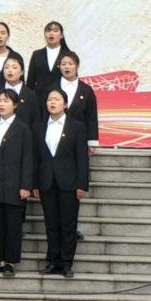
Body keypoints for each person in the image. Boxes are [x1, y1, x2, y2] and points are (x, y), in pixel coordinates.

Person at [34, 88, 89, 279]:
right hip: (46, 181)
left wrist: (82, 184)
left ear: (65, 104)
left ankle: (66, 263)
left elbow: (82, 158)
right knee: (51, 224)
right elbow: (36, 157)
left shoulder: (77, 127)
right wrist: (35, 183)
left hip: (69, 183)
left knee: (68, 224)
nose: (52, 102)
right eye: (49, 99)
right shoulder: (39, 126)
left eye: (57, 99)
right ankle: (53, 260)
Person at [0, 89, 34, 278]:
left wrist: (26, 185)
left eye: (6, 101)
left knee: (13, 226)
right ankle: (1, 259)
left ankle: (10, 262)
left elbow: (28, 158)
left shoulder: (23, 128)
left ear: (15, 105)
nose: (1, 104)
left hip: (15, 184)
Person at [49, 52, 100, 152]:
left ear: (77, 66)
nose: (67, 67)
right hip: (54, 137)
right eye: (63, 64)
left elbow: (91, 117)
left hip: (79, 138)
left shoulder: (86, 90)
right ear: (59, 67)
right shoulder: (51, 88)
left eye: (71, 63)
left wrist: (92, 142)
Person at [0, 56, 40, 127]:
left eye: (14, 67)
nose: (10, 70)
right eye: (6, 67)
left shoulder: (30, 94)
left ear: (22, 72)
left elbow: (35, 121)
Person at [27, 21, 70, 97]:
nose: (51, 33)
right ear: (44, 35)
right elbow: (30, 81)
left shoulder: (68, 55)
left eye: (55, 31)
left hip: (61, 98)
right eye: (48, 31)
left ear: (61, 35)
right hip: (39, 98)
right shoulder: (37, 54)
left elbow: (72, 79)